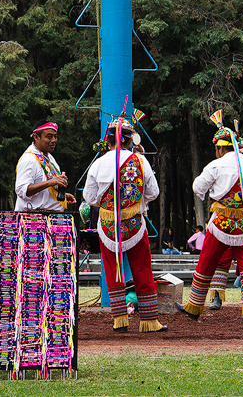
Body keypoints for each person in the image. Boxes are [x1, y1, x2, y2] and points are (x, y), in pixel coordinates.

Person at [176, 111, 243, 323]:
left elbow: (197, 187)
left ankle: (194, 306)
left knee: (207, 261)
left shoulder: (216, 164)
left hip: (220, 224)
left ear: (220, 148)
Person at [83, 117, 166, 333]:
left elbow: (89, 197)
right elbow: (154, 193)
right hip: (134, 225)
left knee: (111, 269)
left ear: (108, 140)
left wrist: (108, 203)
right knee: (142, 268)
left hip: (108, 225)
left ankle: (119, 319)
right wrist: (137, 201)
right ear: (130, 140)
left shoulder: (98, 164)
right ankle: (149, 320)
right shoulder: (140, 161)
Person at [15, 119, 76, 211]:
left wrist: (60, 197)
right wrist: (50, 182)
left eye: (55, 136)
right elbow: (22, 190)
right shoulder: (29, 159)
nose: (54, 140)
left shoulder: (50, 158)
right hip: (33, 219)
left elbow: (45, 190)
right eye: (49, 137)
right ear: (36, 137)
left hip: (51, 219)